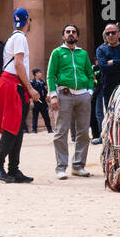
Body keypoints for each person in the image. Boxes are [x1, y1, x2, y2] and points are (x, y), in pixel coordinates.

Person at [0, 8, 35, 184]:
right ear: (27, 21)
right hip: (13, 83)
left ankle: (13, 169)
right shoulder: (20, 38)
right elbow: (19, 63)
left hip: (10, 83)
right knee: (11, 127)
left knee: (17, 127)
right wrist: (30, 88)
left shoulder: (13, 37)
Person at [46, 23, 94, 179]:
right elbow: (50, 75)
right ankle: (61, 167)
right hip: (64, 95)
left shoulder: (83, 54)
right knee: (61, 132)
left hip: (83, 96)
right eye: (68, 32)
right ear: (63, 36)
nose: (71, 34)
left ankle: (78, 166)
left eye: (73, 32)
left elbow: (89, 74)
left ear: (77, 36)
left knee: (83, 133)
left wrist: (90, 91)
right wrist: (53, 95)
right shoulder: (57, 52)